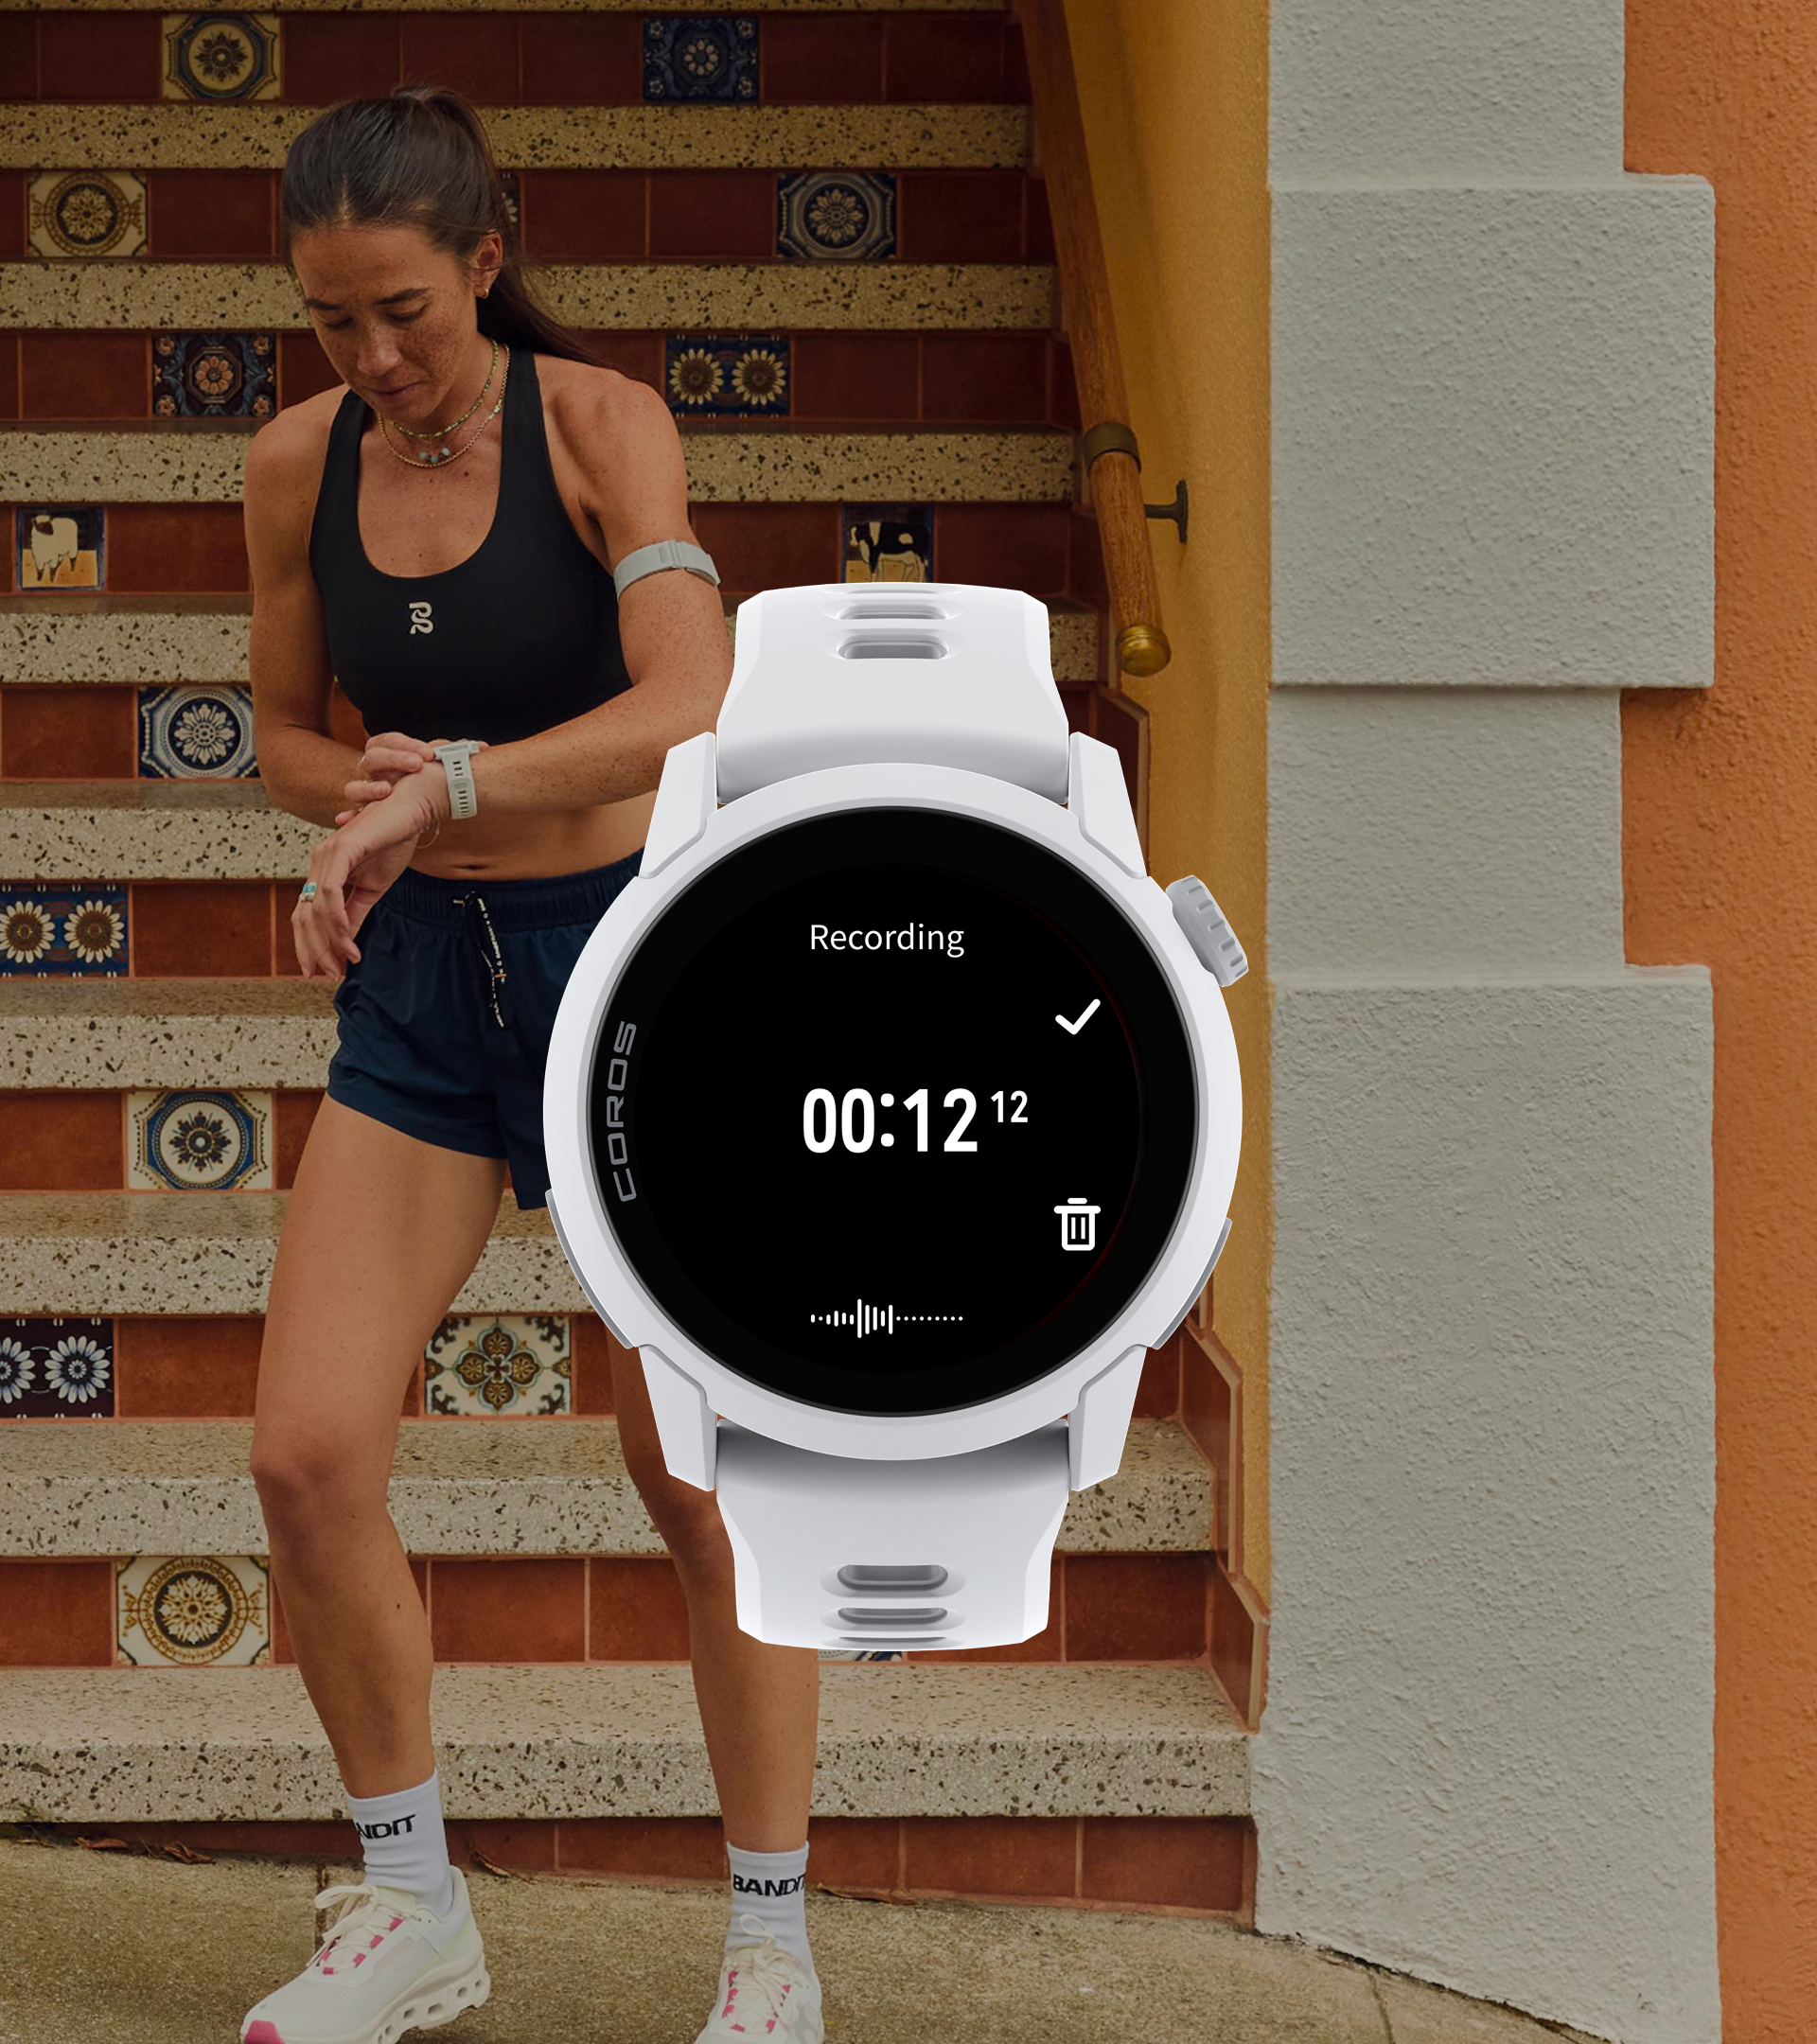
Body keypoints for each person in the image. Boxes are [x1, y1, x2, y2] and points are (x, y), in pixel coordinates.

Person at [238, 84, 825, 2044]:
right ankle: (413, 1911)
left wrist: (461, 781)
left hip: (633, 972)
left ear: (484, 264)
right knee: (309, 1455)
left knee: (700, 1475)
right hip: (423, 984)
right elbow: (287, 730)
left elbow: (693, 697)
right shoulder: (295, 463)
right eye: (332, 320)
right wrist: (362, 811)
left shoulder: (601, 428)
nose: (373, 357)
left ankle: (770, 1944)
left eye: (403, 311)